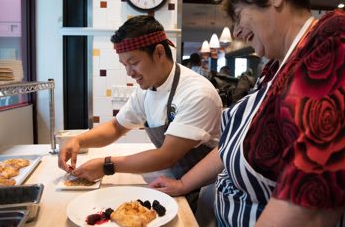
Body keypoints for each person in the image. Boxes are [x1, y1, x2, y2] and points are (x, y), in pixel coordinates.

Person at [149, 0, 345, 226]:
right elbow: (234, 143)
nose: (236, 33)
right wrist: (183, 184)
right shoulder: (278, 65)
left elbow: (312, 204)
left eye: (238, 16)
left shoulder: (339, 45)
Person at [58, 16, 222, 186]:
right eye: (125, 65)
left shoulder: (197, 93)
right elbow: (116, 127)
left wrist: (107, 165)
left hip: (202, 189)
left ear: (159, 52)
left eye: (134, 62)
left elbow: (166, 156)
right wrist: (78, 140)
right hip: (171, 178)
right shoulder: (146, 90)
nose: (129, 72)